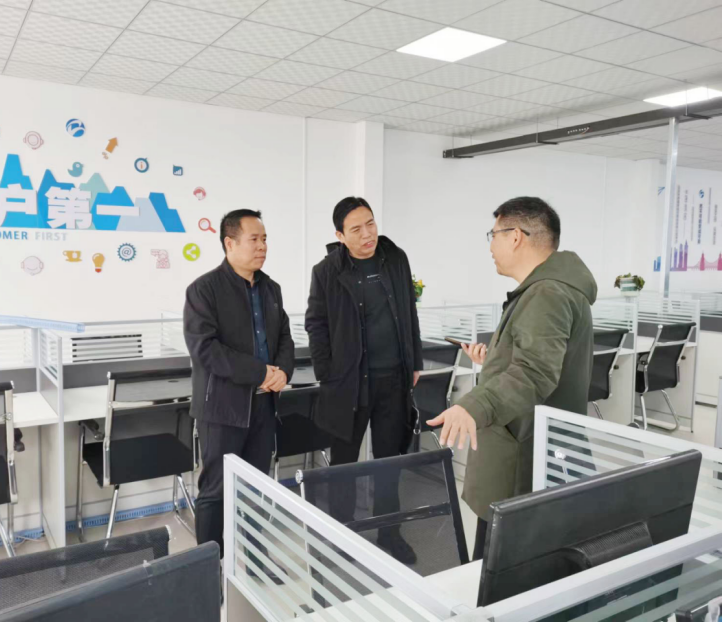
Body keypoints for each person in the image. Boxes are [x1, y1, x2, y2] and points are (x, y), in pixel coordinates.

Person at [427, 197, 597, 561]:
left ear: (516, 236)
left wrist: (473, 405)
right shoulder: (551, 289)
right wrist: (495, 359)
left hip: (523, 460)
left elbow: (535, 371)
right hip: (534, 450)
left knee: (501, 571)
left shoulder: (547, 293)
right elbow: (539, 360)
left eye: (493, 235)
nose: (491, 246)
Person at [305, 197, 423, 564]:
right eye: (356, 229)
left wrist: (414, 361)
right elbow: (316, 324)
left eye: (370, 223)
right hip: (348, 383)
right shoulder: (326, 271)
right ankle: (343, 535)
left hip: (393, 379)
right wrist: (327, 373)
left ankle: (390, 532)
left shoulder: (395, 258)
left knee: (389, 462)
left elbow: (408, 310)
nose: (367, 234)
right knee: (345, 464)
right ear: (340, 235)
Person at [183, 209, 295, 575]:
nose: (262, 246)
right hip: (222, 409)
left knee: (256, 488)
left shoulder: (271, 289)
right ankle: (209, 572)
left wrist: (283, 372)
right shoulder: (204, 289)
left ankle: (256, 563)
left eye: (265, 239)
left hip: (264, 406)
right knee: (215, 492)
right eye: (254, 239)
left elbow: (284, 339)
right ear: (229, 243)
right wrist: (261, 372)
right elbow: (206, 350)